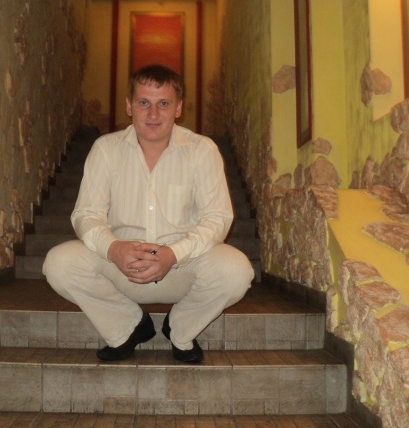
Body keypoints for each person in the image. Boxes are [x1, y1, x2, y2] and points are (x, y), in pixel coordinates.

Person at [42, 64, 254, 363]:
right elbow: (86, 214)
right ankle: (128, 327)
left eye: (163, 103)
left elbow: (217, 218)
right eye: (144, 102)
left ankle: (180, 330)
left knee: (237, 270)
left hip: (182, 267)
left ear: (178, 108)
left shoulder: (202, 150)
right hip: (122, 267)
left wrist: (173, 254)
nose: (153, 114)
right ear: (129, 106)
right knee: (59, 263)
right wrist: (114, 249)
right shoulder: (106, 149)